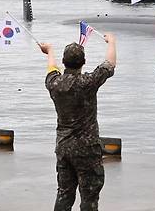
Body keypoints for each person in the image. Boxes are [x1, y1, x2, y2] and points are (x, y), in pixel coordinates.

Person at [39, 35, 117, 210]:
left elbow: (51, 69)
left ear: (63, 61)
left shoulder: (54, 83)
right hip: (87, 149)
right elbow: (109, 64)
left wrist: (49, 50)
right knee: (89, 197)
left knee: (64, 193)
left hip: (63, 146)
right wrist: (111, 42)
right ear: (84, 62)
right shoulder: (87, 82)